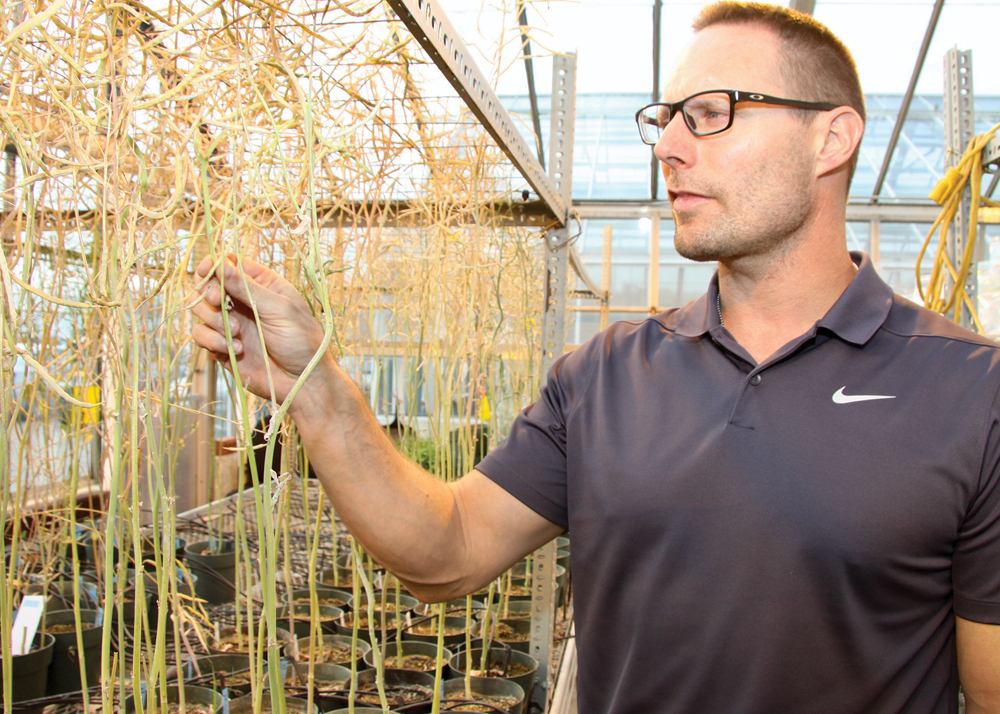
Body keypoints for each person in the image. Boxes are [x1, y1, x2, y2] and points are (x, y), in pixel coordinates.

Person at [190, 2, 1000, 711]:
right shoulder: (606, 375)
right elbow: (448, 551)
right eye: (666, 118)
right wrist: (317, 390)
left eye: (710, 112)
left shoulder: (972, 392)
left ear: (831, 138)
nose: (669, 146)